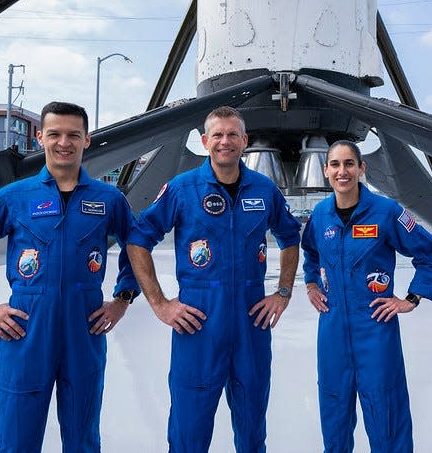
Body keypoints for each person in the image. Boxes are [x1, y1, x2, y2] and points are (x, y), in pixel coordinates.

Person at [0, 101, 139, 452]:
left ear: (87, 140)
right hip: (26, 328)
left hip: (84, 328)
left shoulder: (109, 199)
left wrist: (123, 299)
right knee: (16, 436)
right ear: (40, 138)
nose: (63, 142)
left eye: (73, 135)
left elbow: (137, 247)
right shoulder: (14, 197)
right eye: (54, 134)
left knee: (82, 437)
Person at [126, 106, 301, 453]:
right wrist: (160, 304)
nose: (225, 141)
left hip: (251, 322)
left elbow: (290, 237)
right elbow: (137, 239)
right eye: (218, 135)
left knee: (252, 429)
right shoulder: (181, 188)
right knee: (189, 430)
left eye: (233, 134)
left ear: (245, 141)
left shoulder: (264, 190)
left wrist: (282, 292)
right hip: (199, 323)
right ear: (205, 141)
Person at [301, 140, 432, 453]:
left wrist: (412, 298)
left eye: (349, 164)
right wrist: (312, 284)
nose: (343, 171)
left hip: (376, 328)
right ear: (326, 171)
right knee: (334, 410)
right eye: (336, 165)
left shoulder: (386, 212)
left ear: (361, 168)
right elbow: (310, 252)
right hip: (333, 328)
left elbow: (430, 254)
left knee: (386, 409)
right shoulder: (320, 215)